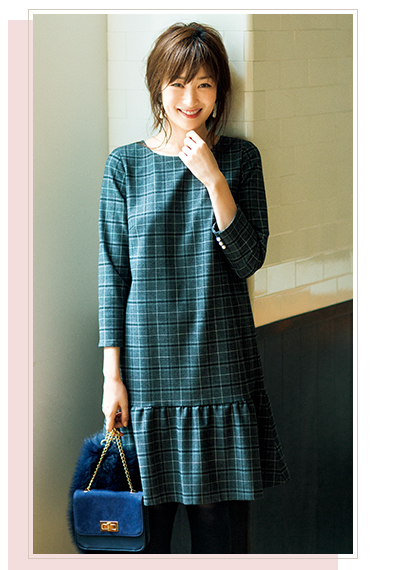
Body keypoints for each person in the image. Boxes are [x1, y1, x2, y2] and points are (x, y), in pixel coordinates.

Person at [98, 22, 289, 554]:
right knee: (145, 538)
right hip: (148, 375)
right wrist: (112, 377)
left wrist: (213, 178)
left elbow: (248, 259)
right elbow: (113, 275)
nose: (190, 98)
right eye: (178, 83)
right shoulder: (125, 166)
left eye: (204, 84)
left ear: (219, 91)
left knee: (218, 538)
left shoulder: (240, 159)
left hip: (219, 368)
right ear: (157, 86)